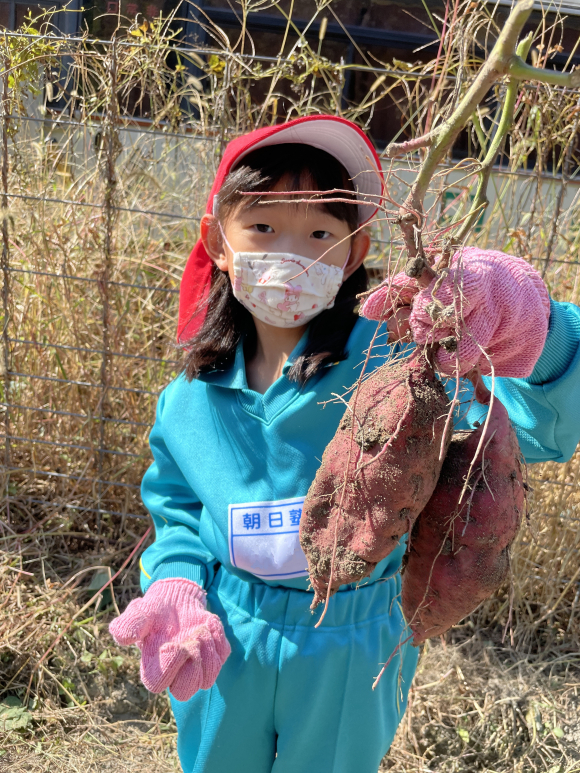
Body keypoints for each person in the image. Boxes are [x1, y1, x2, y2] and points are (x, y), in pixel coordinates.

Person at [109, 115, 580, 773]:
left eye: (321, 233)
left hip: (356, 637)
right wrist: (177, 585)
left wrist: (540, 327)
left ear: (354, 254)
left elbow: (540, 429)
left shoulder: (399, 364)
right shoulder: (189, 398)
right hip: (228, 632)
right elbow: (179, 511)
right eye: (265, 227)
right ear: (219, 241)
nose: (292, 253)